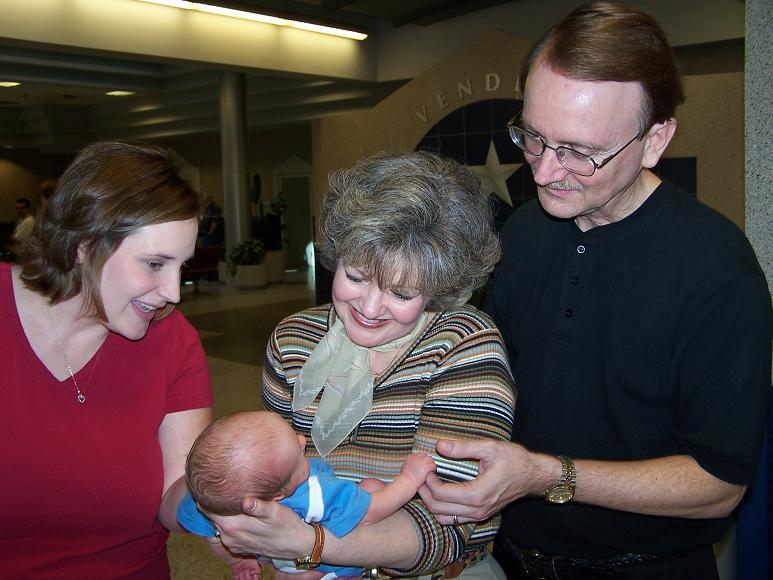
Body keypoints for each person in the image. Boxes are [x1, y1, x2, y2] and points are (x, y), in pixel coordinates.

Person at [418, 3, 773, 579]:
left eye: (581, 152)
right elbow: (491, 378)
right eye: (532, 137)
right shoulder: (526, 232)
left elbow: (717, 485)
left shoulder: (718, 273)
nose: (544, 172)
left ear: (655, 141)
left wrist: (546, 474)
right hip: (504, 556)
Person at [203, 151, 516, 578]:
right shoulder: (293, 340)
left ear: (441, 287)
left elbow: (451, 520)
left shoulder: (464, 344)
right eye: (356, 276)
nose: (369, 307)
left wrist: (312, 545)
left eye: (402, 294)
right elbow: (267, 474)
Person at [0, 141, 214, 578]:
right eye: (155, 263)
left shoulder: (174, 340)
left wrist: (223, 512)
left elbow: (176, 493)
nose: (173, 292)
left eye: (181, 268)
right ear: (84, 244)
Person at [178, 411, 437, 579]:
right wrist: (409, 480)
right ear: (279, 495)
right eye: (298, 455)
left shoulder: (217, 501)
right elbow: (371, 512)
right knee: (372, 487)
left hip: (287, 564)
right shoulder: (314, 492)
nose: (302, 440)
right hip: (334, 569)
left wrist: (240, 559)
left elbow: (206, 531)